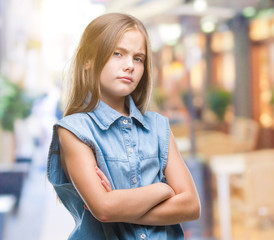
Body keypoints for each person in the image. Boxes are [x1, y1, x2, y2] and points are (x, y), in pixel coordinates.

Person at [47, 13, 200, 239]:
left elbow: (191, 206)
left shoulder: (158, 127)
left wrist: (121, 206)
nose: (129, 65)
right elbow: (105, 209)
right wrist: (163, 189)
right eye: (117, 54)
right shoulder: (73, 131)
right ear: (88, 60)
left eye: (138, 58)